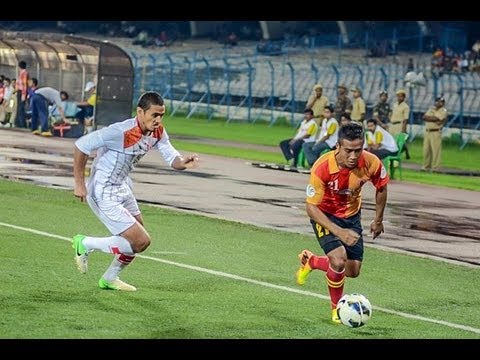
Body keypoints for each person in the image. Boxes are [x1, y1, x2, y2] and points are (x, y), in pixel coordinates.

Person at [72, 91, 200, 291]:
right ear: (140, 112)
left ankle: (109, 278)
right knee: (141, 241)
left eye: (161, 115)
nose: (158, 120)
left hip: (122, 187)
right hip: (103, 191)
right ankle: (86, 244)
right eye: (154, 115)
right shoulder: (120, 131)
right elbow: (81, 146)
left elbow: (170, 155)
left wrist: (182, 163)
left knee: (137, 235)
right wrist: (79, 184)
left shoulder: (157, 132)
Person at [296, 122, 389, 323]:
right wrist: (339, 232)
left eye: (358, 150)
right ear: (338, 145)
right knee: (338, 260)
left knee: (353, 270)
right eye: (349, 150)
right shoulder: (322, 167)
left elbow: (381, 187)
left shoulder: (371, 162)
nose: (354, 156)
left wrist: (378, 220)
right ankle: (336, 310)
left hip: (351, 216)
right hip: (324, 215)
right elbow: (311, 207)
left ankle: (312, 261)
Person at [422, 96, 448, 171]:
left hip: (436, 131)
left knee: (436, 150)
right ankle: (426, 166)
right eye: (439, 101)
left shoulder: (443, 110)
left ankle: (436, 167)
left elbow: (438, 119)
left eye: (442, 102)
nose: (440, 103)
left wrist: (431, 118)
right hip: (427, 131)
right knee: (426, 150)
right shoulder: (431, 109)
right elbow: (424, 117)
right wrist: (433, 118)